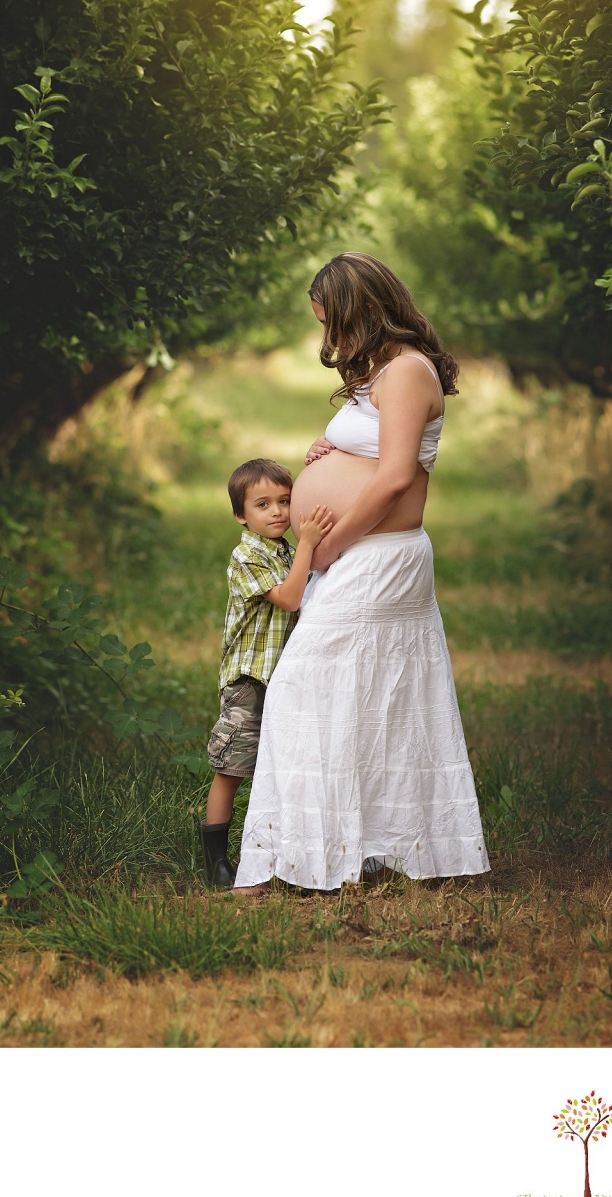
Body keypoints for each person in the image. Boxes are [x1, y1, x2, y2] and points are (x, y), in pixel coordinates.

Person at [233, 252, 491, 893]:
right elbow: (372, 454)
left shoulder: (406, 371)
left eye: (333, 323)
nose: (329, 340)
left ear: (361, 311)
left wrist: (327, 545)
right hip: (362, 553)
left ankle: (317, 853)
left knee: (308, 686)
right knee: (364, 696)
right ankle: (351, 850)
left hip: (379, 557)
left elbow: (398, 476)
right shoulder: (381, 372)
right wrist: (328, 451)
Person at [200, 458, 332, 886]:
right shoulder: (247, 556)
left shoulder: (286, 552)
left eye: (285, 501)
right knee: (232, 770)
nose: (277, 512)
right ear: (242, 515)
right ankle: (217, 862)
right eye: (263, 504)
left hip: (285, 678)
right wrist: (309, 544)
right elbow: (291, 597)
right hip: (249, 683)